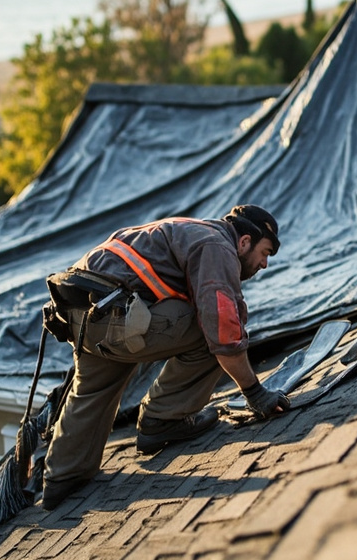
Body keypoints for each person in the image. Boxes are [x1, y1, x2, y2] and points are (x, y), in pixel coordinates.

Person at [39, 205, 291, 510]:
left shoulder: (187, 228)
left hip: (82, 316)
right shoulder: (217, 247)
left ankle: (62, 477)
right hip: (115, 313)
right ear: (245, 241)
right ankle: (163, 419)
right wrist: (256, 393)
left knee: (92, 387)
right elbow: (222, 326)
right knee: (219, 325)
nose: (264, 264)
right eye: (265, 253)